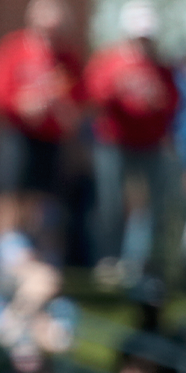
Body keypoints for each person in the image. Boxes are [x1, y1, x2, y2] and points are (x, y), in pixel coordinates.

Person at [84, 0, 178, 287]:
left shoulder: (160, 67)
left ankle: (145, 263)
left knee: (154, 208)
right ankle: (108, 261)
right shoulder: (109, 62)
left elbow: (172, 103)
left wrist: (154, 103)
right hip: (114, 143)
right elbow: (94, 96)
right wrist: (121, 88)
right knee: (111, 204)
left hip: (150, 145)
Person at [0, 0, 84, 252]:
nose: (50, 35)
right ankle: (1, 261)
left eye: (56, 29)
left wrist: (62, 108)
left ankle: (38, 261)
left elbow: (79, 103)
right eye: (45, 28)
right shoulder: (14, 48)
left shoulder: (67, 59)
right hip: (17, 136)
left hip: (51, 140)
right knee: (10, 198)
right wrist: (22, 104)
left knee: (43, 204)